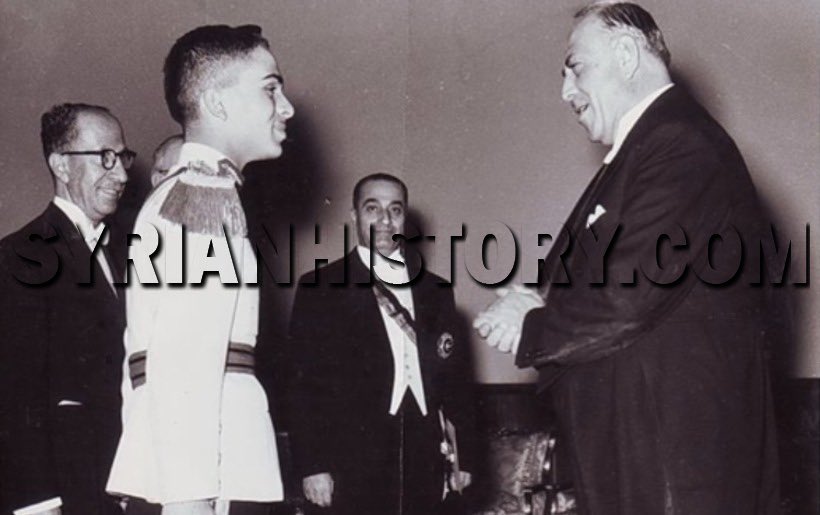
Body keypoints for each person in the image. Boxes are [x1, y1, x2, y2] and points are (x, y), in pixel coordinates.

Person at [474, 3, 781, 514]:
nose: (565, 93)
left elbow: (629, 291)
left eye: (576, 68)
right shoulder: (649, 147)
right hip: (644, 450)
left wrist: (530, 323)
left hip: (670, 464)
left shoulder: (679, 142)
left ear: (624, 52)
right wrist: (537, 295)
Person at [106, 25, 294, 515]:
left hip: (204, 466)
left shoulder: (193, 194)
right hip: (214, 472)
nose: (287, 107)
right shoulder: (203, 199)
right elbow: (184, 365)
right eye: (270, 89)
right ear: (217, 102)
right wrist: (188, 501)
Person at [288, 173, 475, 515]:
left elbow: (456, 382)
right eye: (372, 208)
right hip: (351, 457)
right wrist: (312, 465)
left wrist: (465, 458)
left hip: (423, 450)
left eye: (396, 210)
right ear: (354, 215)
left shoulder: (436, 291)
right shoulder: (321, 287)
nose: (385, 220)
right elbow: (302, 387)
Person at [0, 103, 132, 515]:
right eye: (105, 158)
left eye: (124, 157)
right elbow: (16, 394)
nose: (123, 174)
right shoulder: (22, 254)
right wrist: (39, 503)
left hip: (129, 483)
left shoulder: (131, 250)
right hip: (68, 494)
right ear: (60, 164)